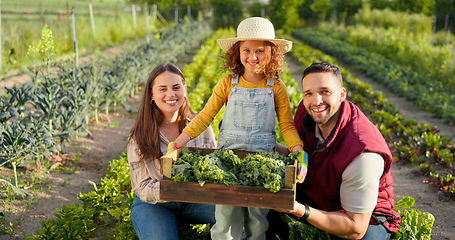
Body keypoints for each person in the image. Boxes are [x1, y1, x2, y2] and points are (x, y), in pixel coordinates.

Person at [173, 17, 304, 240]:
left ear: (272, 53)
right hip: (227, 162)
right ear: (237, 52)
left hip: (262, 162)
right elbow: (205, 116)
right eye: (246, 50)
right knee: (226, 218)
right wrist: (178, 142)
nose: (253, 57)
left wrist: (298, 150)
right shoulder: (228, 83)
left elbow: (286, 125)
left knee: (258, 220)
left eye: (260, 51)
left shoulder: (276, 86)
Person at [279, 62, 401, 239]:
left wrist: (298, 209)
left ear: (341, 94)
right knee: (265, 194)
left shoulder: (362, 152)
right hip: (320, 194)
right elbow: (298, 158)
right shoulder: (306, 113)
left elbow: (355, 228)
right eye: (309, 93)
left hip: (360, 218)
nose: (316, 101)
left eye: (325, 92)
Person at [126, 63, 217, 240]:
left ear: (184, 90)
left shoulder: (201, 127)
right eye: (163, 89)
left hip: (195, 201)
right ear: (152, 95)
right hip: (154, 205)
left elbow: (213, 168)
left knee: (237, 213)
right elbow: (141, 187)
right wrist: (176, 190)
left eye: (176, 87)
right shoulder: (139, 136)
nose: (170, 94)